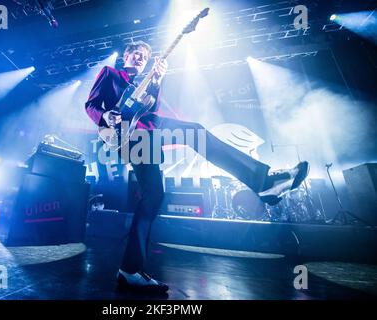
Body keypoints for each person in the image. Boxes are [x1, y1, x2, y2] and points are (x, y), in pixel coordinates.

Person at [85, 41, 309, 293]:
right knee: (177, 159)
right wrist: (105, 116)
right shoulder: (111, 74)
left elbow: (152, 109)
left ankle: (129, 270)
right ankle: (264, 182)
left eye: (145, 56)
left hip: (150, 129)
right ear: (126, 55)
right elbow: (91, 105)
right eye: (137, 54)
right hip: (128, 135)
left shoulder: (148, 80)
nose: (141, 58)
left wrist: (158, 81)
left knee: (167, 176)